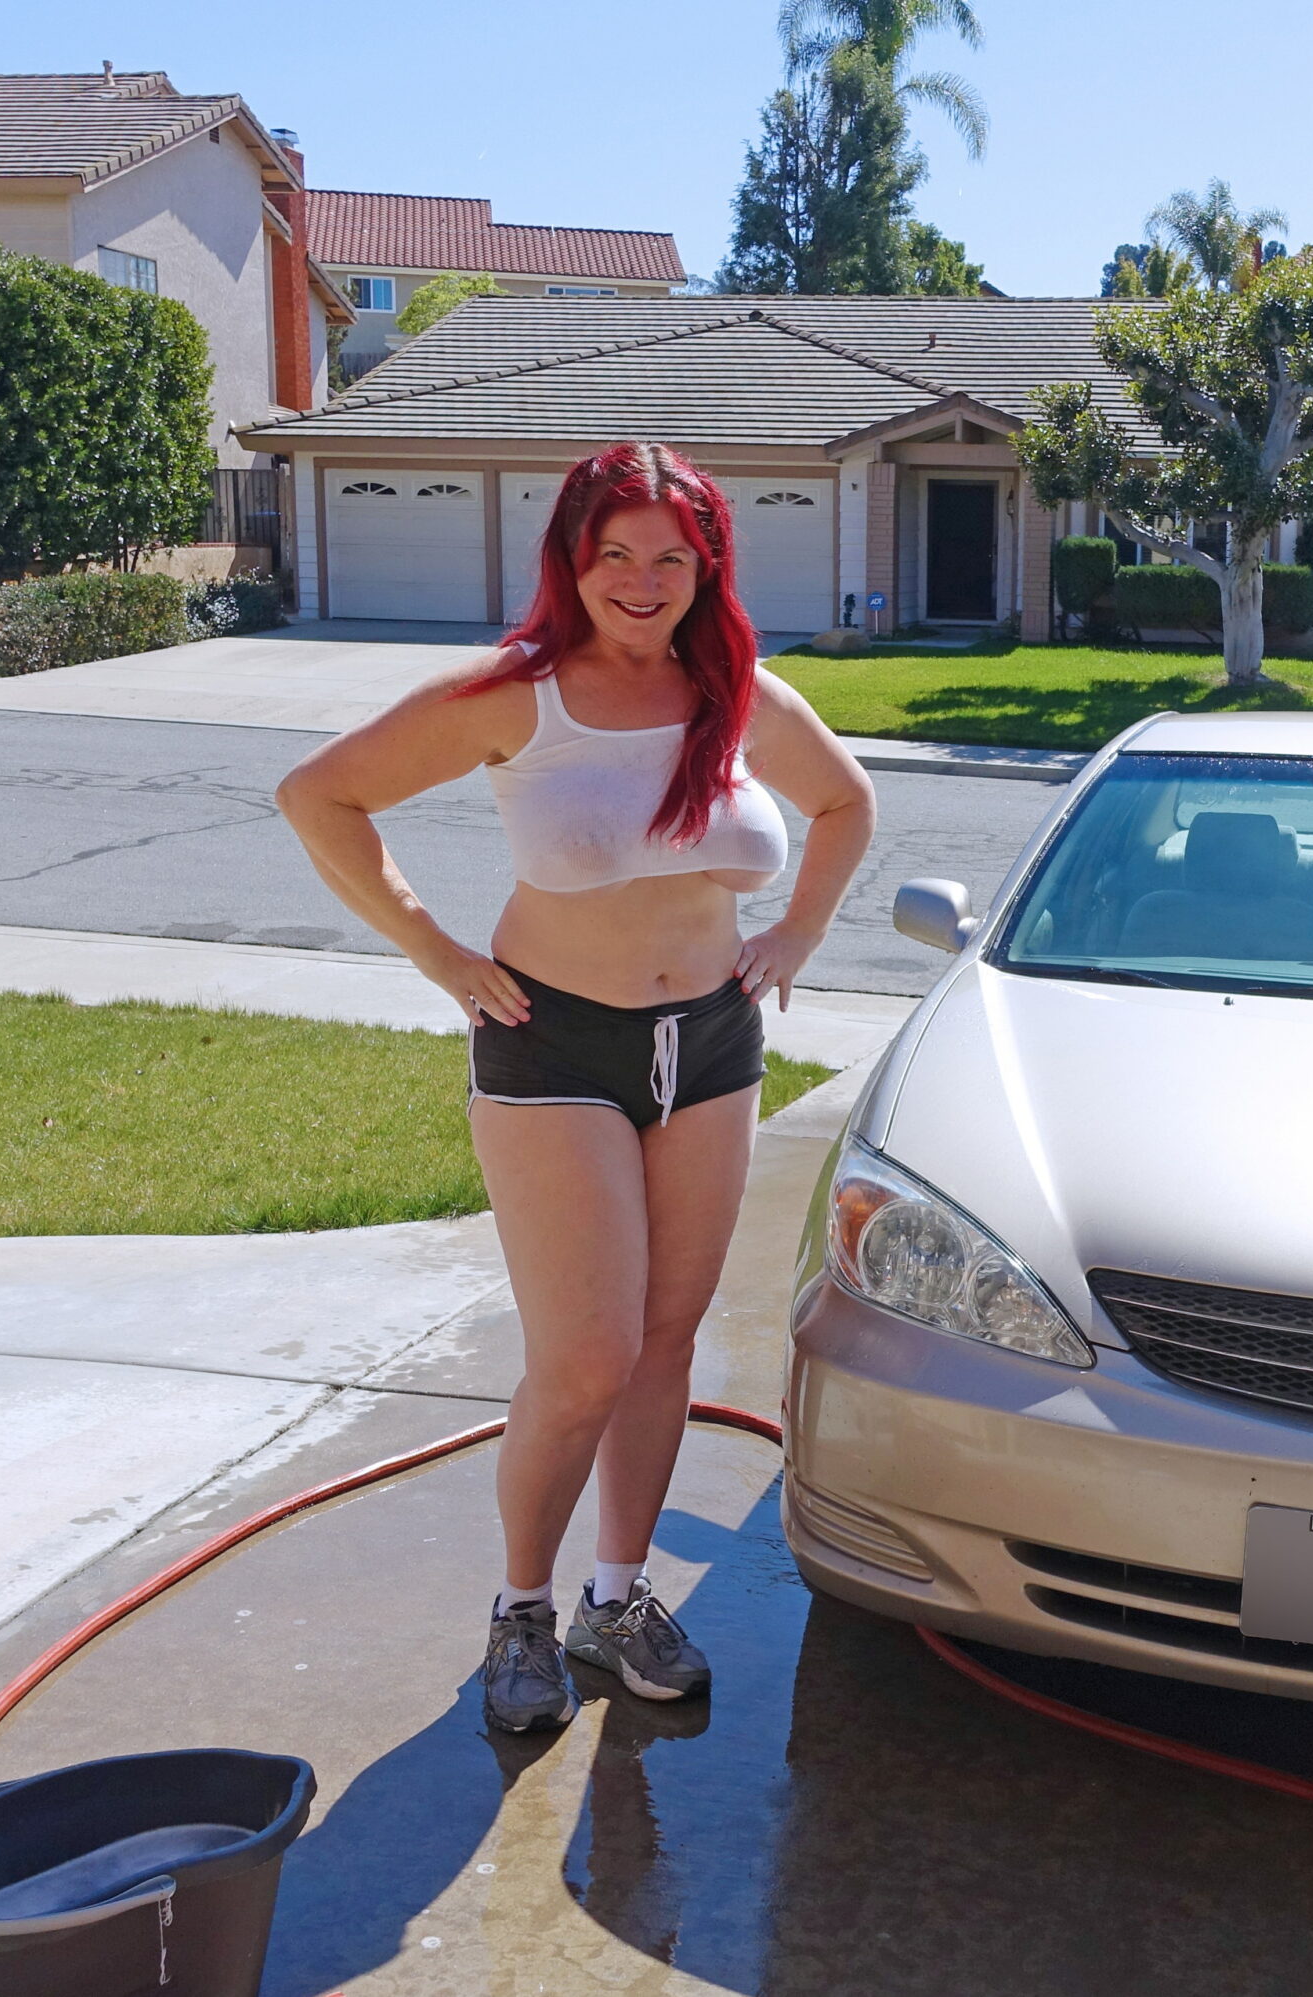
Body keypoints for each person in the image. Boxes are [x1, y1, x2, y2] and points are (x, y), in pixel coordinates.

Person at [277, 442, 875, 1727]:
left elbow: (846, 803)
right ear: (572, 558)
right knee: (587, 1355)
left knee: (665, 1340)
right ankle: (522, 1609)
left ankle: (616, 1595)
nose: (642, 580)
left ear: (707, 566)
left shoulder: (739, 693)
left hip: (709, 1046)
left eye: (671, 556)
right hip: (556, 1047)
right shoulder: (515, 693)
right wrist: (438, 952)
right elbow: (321, 795)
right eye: (615, 553)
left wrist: (797, 936)